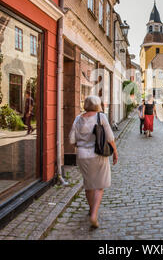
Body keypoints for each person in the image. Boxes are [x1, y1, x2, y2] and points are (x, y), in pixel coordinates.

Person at [69, 96, 119, 229]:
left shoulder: (78, 119)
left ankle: (91, 209)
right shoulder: (100, 117)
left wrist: (82, 144)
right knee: (99, 185)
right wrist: (115, 152)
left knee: (89, 184)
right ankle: (94, 214)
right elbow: (110, 137)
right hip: (98, 154)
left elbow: (71, 139)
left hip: (82, 155)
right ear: (98, 105)